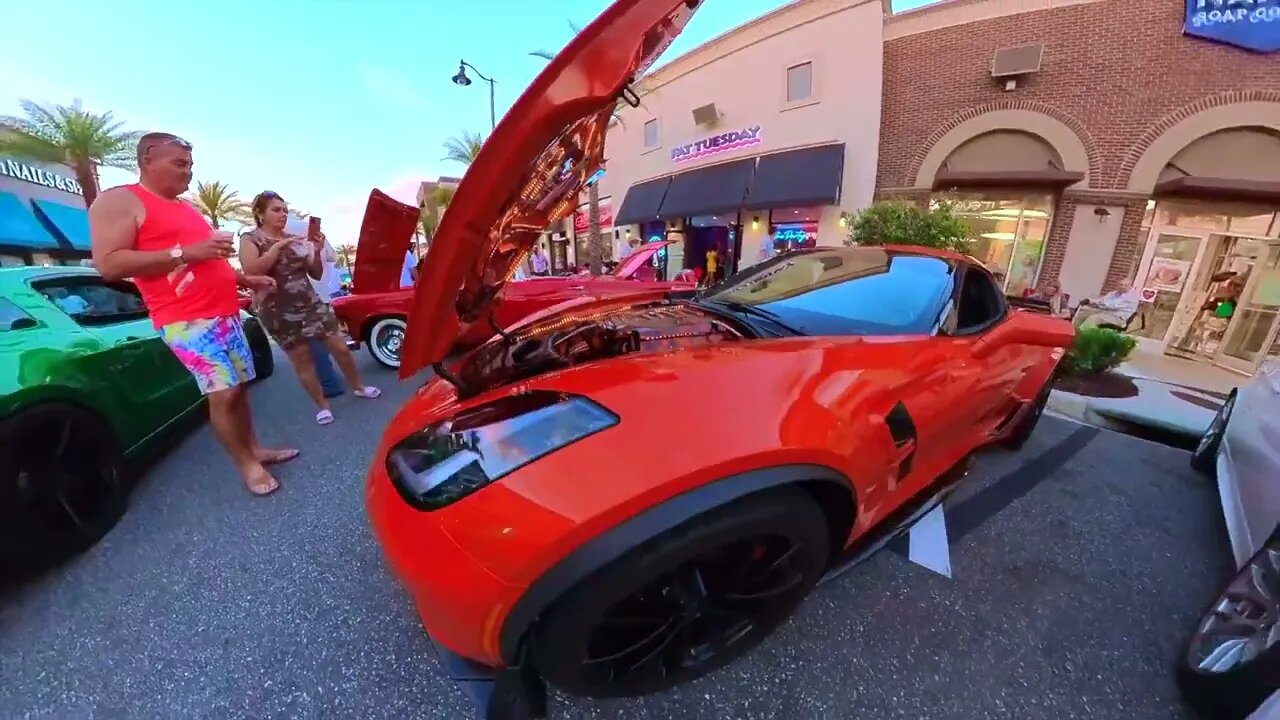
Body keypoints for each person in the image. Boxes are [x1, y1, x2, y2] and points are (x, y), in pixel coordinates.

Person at [88, 132, 290, 496]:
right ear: (148, 159)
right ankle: (247, 466)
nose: (188, 173)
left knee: (240, 388)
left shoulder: (186, 208)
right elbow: (109, 264)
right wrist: (184, 252)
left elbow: (208, 261)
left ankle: (256, 449)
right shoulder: (120, 200)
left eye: (191, 166)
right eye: (179, 164)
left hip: (225, 312)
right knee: (224, 393)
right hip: (184, 319)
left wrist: (246, 278)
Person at [239, 191, 380, 425]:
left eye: (284, 210)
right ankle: (322, 406)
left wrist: (316, 250)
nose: (282, 214)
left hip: (310, 303)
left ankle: (359, 386)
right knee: (302, 360)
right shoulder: (251, 239)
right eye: (276, 210)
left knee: (340, 347)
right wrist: (277, 248)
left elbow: (315, 272)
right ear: (260, 214)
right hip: (277, 310)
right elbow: (252, 271)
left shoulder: (294, 238)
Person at [285, 215, 345, 399]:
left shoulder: (277, 234)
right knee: (326, 338)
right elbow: (332, 257)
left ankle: (327, 382)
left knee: (311, 343)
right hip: (320, 292)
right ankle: (330, 380)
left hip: (296, 296)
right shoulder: (310, 229)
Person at [1073, 282, 1140, 329]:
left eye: (1126, 285)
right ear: (1117, 285)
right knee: (1082, 315)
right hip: (1105, 313)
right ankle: (1072, 333)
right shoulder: (1113, 293)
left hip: (1118, 318)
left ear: (1131, 286)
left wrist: (1093, 302)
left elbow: (1112, 305)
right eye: (1121, 284)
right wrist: (1089, 301)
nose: (1123, 287)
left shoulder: (1132, 297)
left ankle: (1080, 338)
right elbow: (1102, 301)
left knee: (1094, 318)